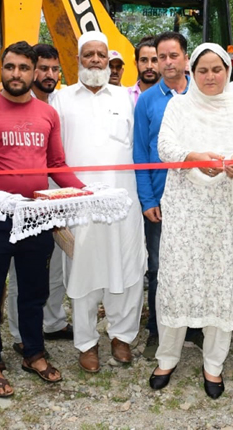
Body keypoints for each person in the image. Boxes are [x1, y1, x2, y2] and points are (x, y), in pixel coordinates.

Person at [0, 41, 86, 398]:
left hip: (37, 218)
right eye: (10, 67)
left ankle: (33, 352)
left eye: (23, 68)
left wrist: (85, 191)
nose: (16, 74)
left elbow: (57, 166)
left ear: (35, 72)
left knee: (35, 291)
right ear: (2, 69)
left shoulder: (48, 114)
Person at [148, 42, 233, 400]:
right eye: (203, 70)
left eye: (217, 69)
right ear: (191, 73)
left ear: (228, 71)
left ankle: (214, 365)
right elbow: (165, 147)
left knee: (219, 283)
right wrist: (193, 157)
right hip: (185, 208)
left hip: (225, 212)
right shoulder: (178, 106)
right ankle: (167, 358)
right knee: (176, 280)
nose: (210, 76)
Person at [53, 31, 147, 372]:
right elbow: (55, 155)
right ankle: (87, 342)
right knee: (83, 271)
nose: (95, 59)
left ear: (109, 61)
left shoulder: (125, 98)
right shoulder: (62, 100)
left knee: (127, 267)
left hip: (124, 201)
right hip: (79, 204)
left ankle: (122, 336)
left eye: (101, 55)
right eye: (89, 54)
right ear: (78, 59)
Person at [7, 43, 73, 357]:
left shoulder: (63, 101)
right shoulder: (18, 101)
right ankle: (21, 333)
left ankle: (54, 321)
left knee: (57, 262)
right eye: (43, 68)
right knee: (24, 268)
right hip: (27, 196)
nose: (49, 74)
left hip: (58, 192)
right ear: (32, 69)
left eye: (54, 69)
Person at [133, 31, 191, 359]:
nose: (167, 63)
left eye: (172, 56)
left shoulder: (202, 94)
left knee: (193, 264)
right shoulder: (147, 100)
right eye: (160, 57)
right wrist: (148, 200)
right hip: (160, 198)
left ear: (185, 57)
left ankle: (193, 327)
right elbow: (140, 153)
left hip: (198, 198)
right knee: (158, 267)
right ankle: (158, 329)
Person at [128, 36, 159, 106]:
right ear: (136, 63)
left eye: (154, 60)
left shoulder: (172, 98)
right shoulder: (124, 97)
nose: (149, 66)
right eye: (144, 60)